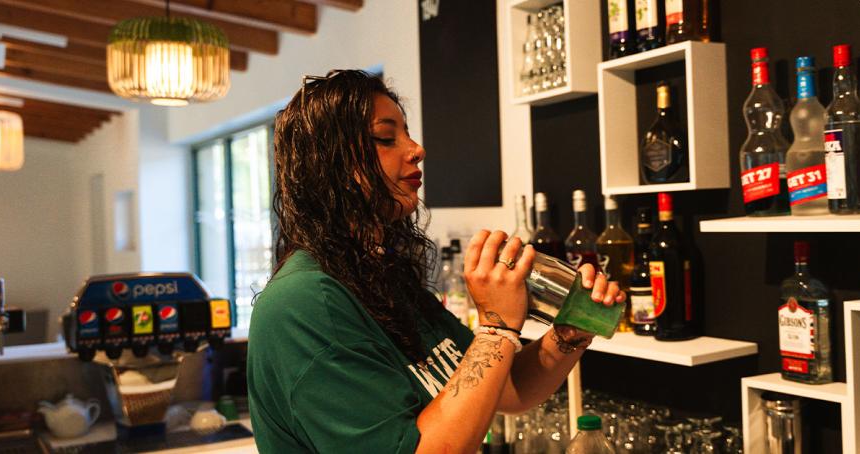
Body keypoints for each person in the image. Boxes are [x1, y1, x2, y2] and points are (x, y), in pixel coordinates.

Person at [247, 70, 625, 453]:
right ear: (333, 164)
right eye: (385, 138)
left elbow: (505, 388)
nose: (417, 149)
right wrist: (496, 327)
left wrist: (566, 336)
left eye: (407, 133)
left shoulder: (380, 277)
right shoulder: (305, 304)